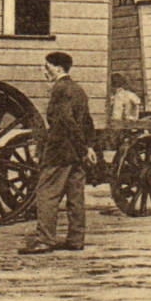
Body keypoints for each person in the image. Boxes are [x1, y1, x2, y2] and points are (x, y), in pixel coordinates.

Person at [21, 52, 93, 254]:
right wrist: (87, 147)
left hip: (59, 152)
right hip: (76, 155)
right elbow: (87, 122)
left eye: (47, 67)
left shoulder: (59, 90)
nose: (45, 72)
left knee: (46, 194)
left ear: (59, 68)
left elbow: (65, 121)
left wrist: (81, 147)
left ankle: (45, 240)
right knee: (76, 197)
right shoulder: (78, 90)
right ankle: (76, 240)